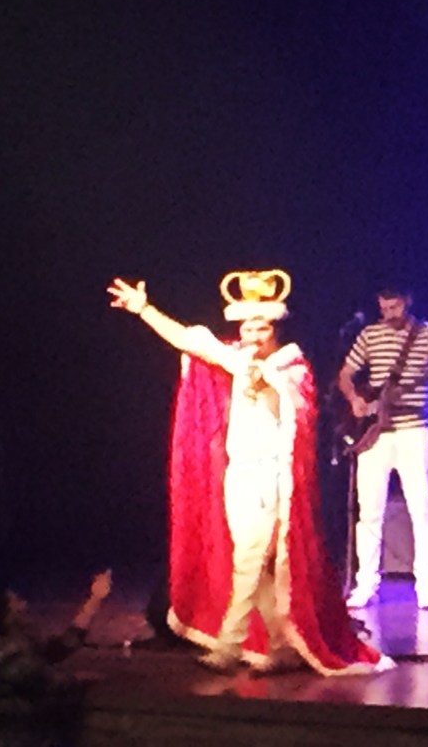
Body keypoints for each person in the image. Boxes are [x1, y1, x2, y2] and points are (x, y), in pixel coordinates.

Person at [108, 270, 391, 675]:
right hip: (238, 477)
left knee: (249, 560)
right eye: (247, 328)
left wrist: (266, 382)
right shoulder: (237, 358)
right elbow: (189, 338)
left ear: (275, 328)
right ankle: (280, 647)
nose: (253, 336)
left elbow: (296, 405)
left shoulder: (291, 366)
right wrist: (144, 309)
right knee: (261, 570)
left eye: (261, 328)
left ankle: (229, 644)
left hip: (271, 480)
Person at [338, 285, 428, 609]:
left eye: (394, 307)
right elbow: (346, 374)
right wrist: (354, 399)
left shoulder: (426, 333)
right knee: (369, 512)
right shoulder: (370, 334)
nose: (388, 314)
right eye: (383, 307)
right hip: (374, 434)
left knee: (421, 509)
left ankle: (426, 585)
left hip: (413, 430)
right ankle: (366, 585)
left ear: (407, 302)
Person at [0, 570, 111, 743]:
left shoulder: (21, 644)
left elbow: (64, 644)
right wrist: (80, 679)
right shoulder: (0, 655)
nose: (25, 604)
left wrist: (95, 599)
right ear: (7, 618)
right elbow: (48, 681)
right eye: (17, 602)